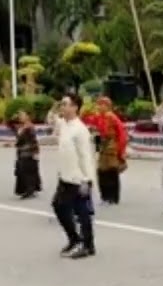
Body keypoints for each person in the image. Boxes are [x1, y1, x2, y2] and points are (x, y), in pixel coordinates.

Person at [47, 93, 97, 259]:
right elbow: (50, 119)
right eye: (62, 104)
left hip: (78, 178)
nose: (63, 107)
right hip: (65, 176)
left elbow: (86, 156)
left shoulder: (80, 129)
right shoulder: (64, 124)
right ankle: (75, 239)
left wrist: (87, 180)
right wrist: (56, 105)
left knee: (82, 213)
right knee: (59, 206)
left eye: (66, 104)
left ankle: (87, 245)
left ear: (75, 107)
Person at [89, 97, 127, 204]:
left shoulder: (113, 118)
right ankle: (104, 196)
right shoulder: (97, 117)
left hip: (112, 148)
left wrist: (121, 151)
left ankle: (113, 197)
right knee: (101, 172)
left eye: (103, 105)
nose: (100, 107)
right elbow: (93, 128)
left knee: (111, 172)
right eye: (99, 104)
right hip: (102, 147)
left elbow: (122, 134)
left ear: (108, 106)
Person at [12, 110, 42, 199]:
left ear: (27, 117)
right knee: (21, 171)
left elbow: (34, 141)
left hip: (28, 152)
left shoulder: (30, 127)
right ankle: (25, 189)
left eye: (23, 115)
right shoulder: (20, 127)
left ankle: (30, 190)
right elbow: (8, 124)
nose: (21, 117)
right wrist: (13, 117)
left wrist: (35, 152)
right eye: (20, 116)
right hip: (21, 152)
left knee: (29, 172)